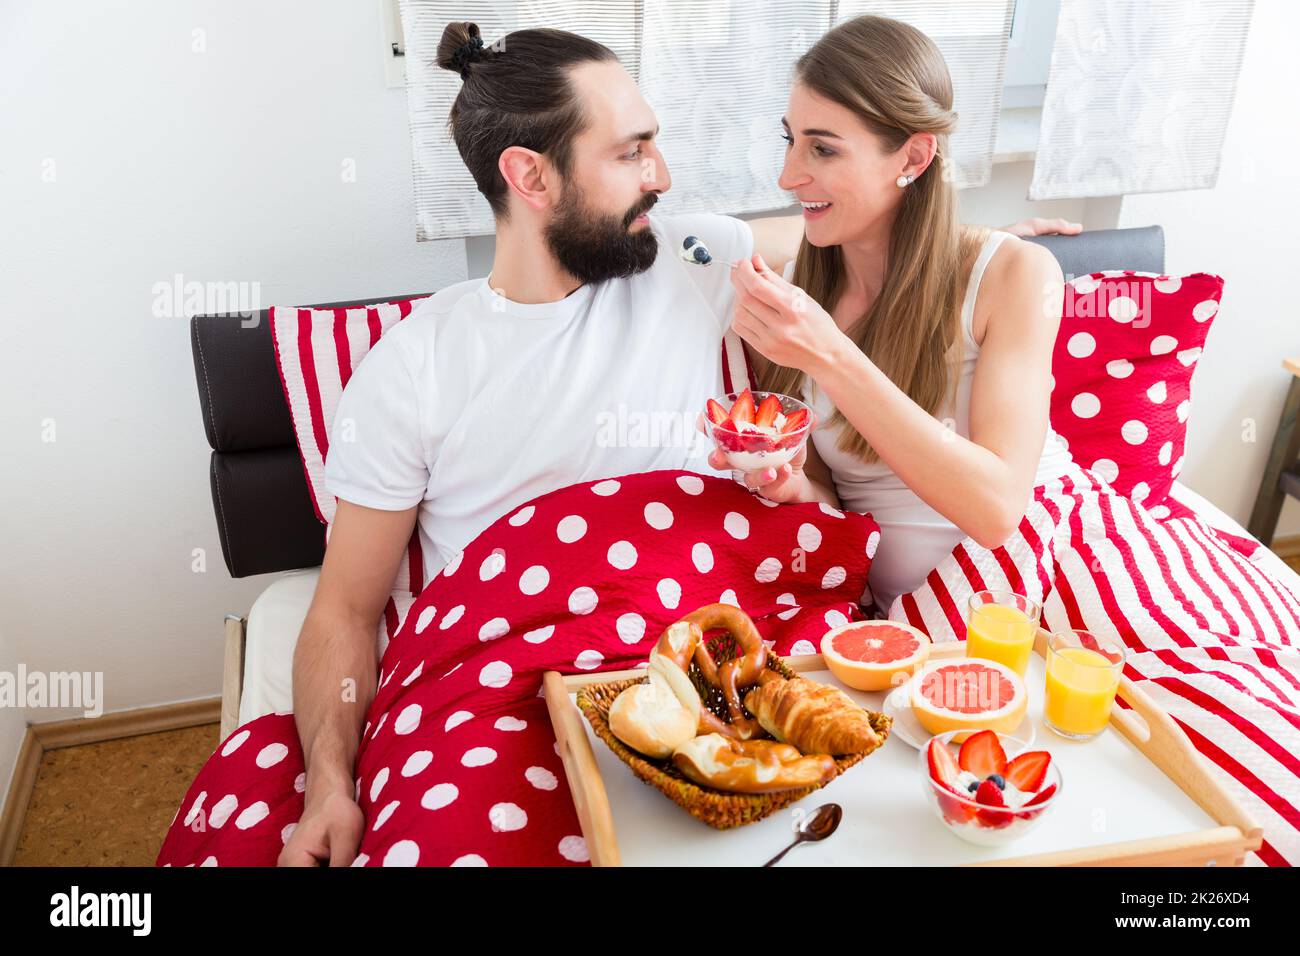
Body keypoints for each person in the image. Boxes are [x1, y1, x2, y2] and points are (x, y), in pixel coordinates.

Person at [279, 19, 1078, 866]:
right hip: (511, 676)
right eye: (632, 153)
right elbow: (345, 610)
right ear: (530, 176)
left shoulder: (694, 257)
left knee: (868, 825)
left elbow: (874, 231)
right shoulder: (417, 362)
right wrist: (328, 785)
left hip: (721, 638)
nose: (662, 175)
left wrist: (991, 254)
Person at [715, 15, 1076, 616]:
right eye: (791, 140)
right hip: (900, 618)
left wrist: (830, 355)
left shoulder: (1014, 276)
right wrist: (794, 487)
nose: (788, 175)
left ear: (912, 155)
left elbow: (997, 511)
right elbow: (841, 492)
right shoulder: (797, 290)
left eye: (823, 148)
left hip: (1038, 571)